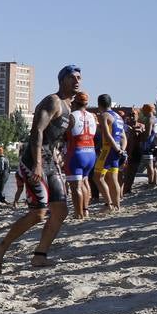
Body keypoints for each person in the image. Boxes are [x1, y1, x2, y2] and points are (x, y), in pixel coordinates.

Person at [0, 65, 78, 273]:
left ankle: (40, 255)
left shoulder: (69, 109)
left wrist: (58, 158)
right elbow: (37, 131)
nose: (77, 81)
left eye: (79, 78)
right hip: (34, 162)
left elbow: (56, 139)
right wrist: (38, 162)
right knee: (39, 213)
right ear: (62, 80)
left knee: (61, 210)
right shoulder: (53, 101)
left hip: (51, 163)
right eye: (73, 77)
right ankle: (1, 248)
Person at [63, 91, 97, 219]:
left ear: (75, 103)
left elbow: (64, 134)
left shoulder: (71, 116)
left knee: (75, 186)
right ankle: (85, 210)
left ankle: (78, 213)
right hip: (91, 152)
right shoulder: (92, 116)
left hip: (76, 152)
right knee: (85, 181)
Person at [92, 94, 126, 211]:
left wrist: (115, 149)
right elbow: (123, 136)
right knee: (113, 178)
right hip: (117, 151)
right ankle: (117, 205)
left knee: (97, 177)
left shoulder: (104, 116)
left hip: (108, 149)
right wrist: (122, 150)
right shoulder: (118, 117)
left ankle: (108, 204)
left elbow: (107, 135)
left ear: (99, 104)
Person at [139, 103, 157, 187]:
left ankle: (151, 182)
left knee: (149, 165)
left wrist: (141, 133)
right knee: (154, 165)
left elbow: (147, 134)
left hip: (149, 144)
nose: (142, 112)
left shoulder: (149, 119)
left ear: (146, 110)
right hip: (156, 143)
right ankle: (155, 182)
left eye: (143, 110)